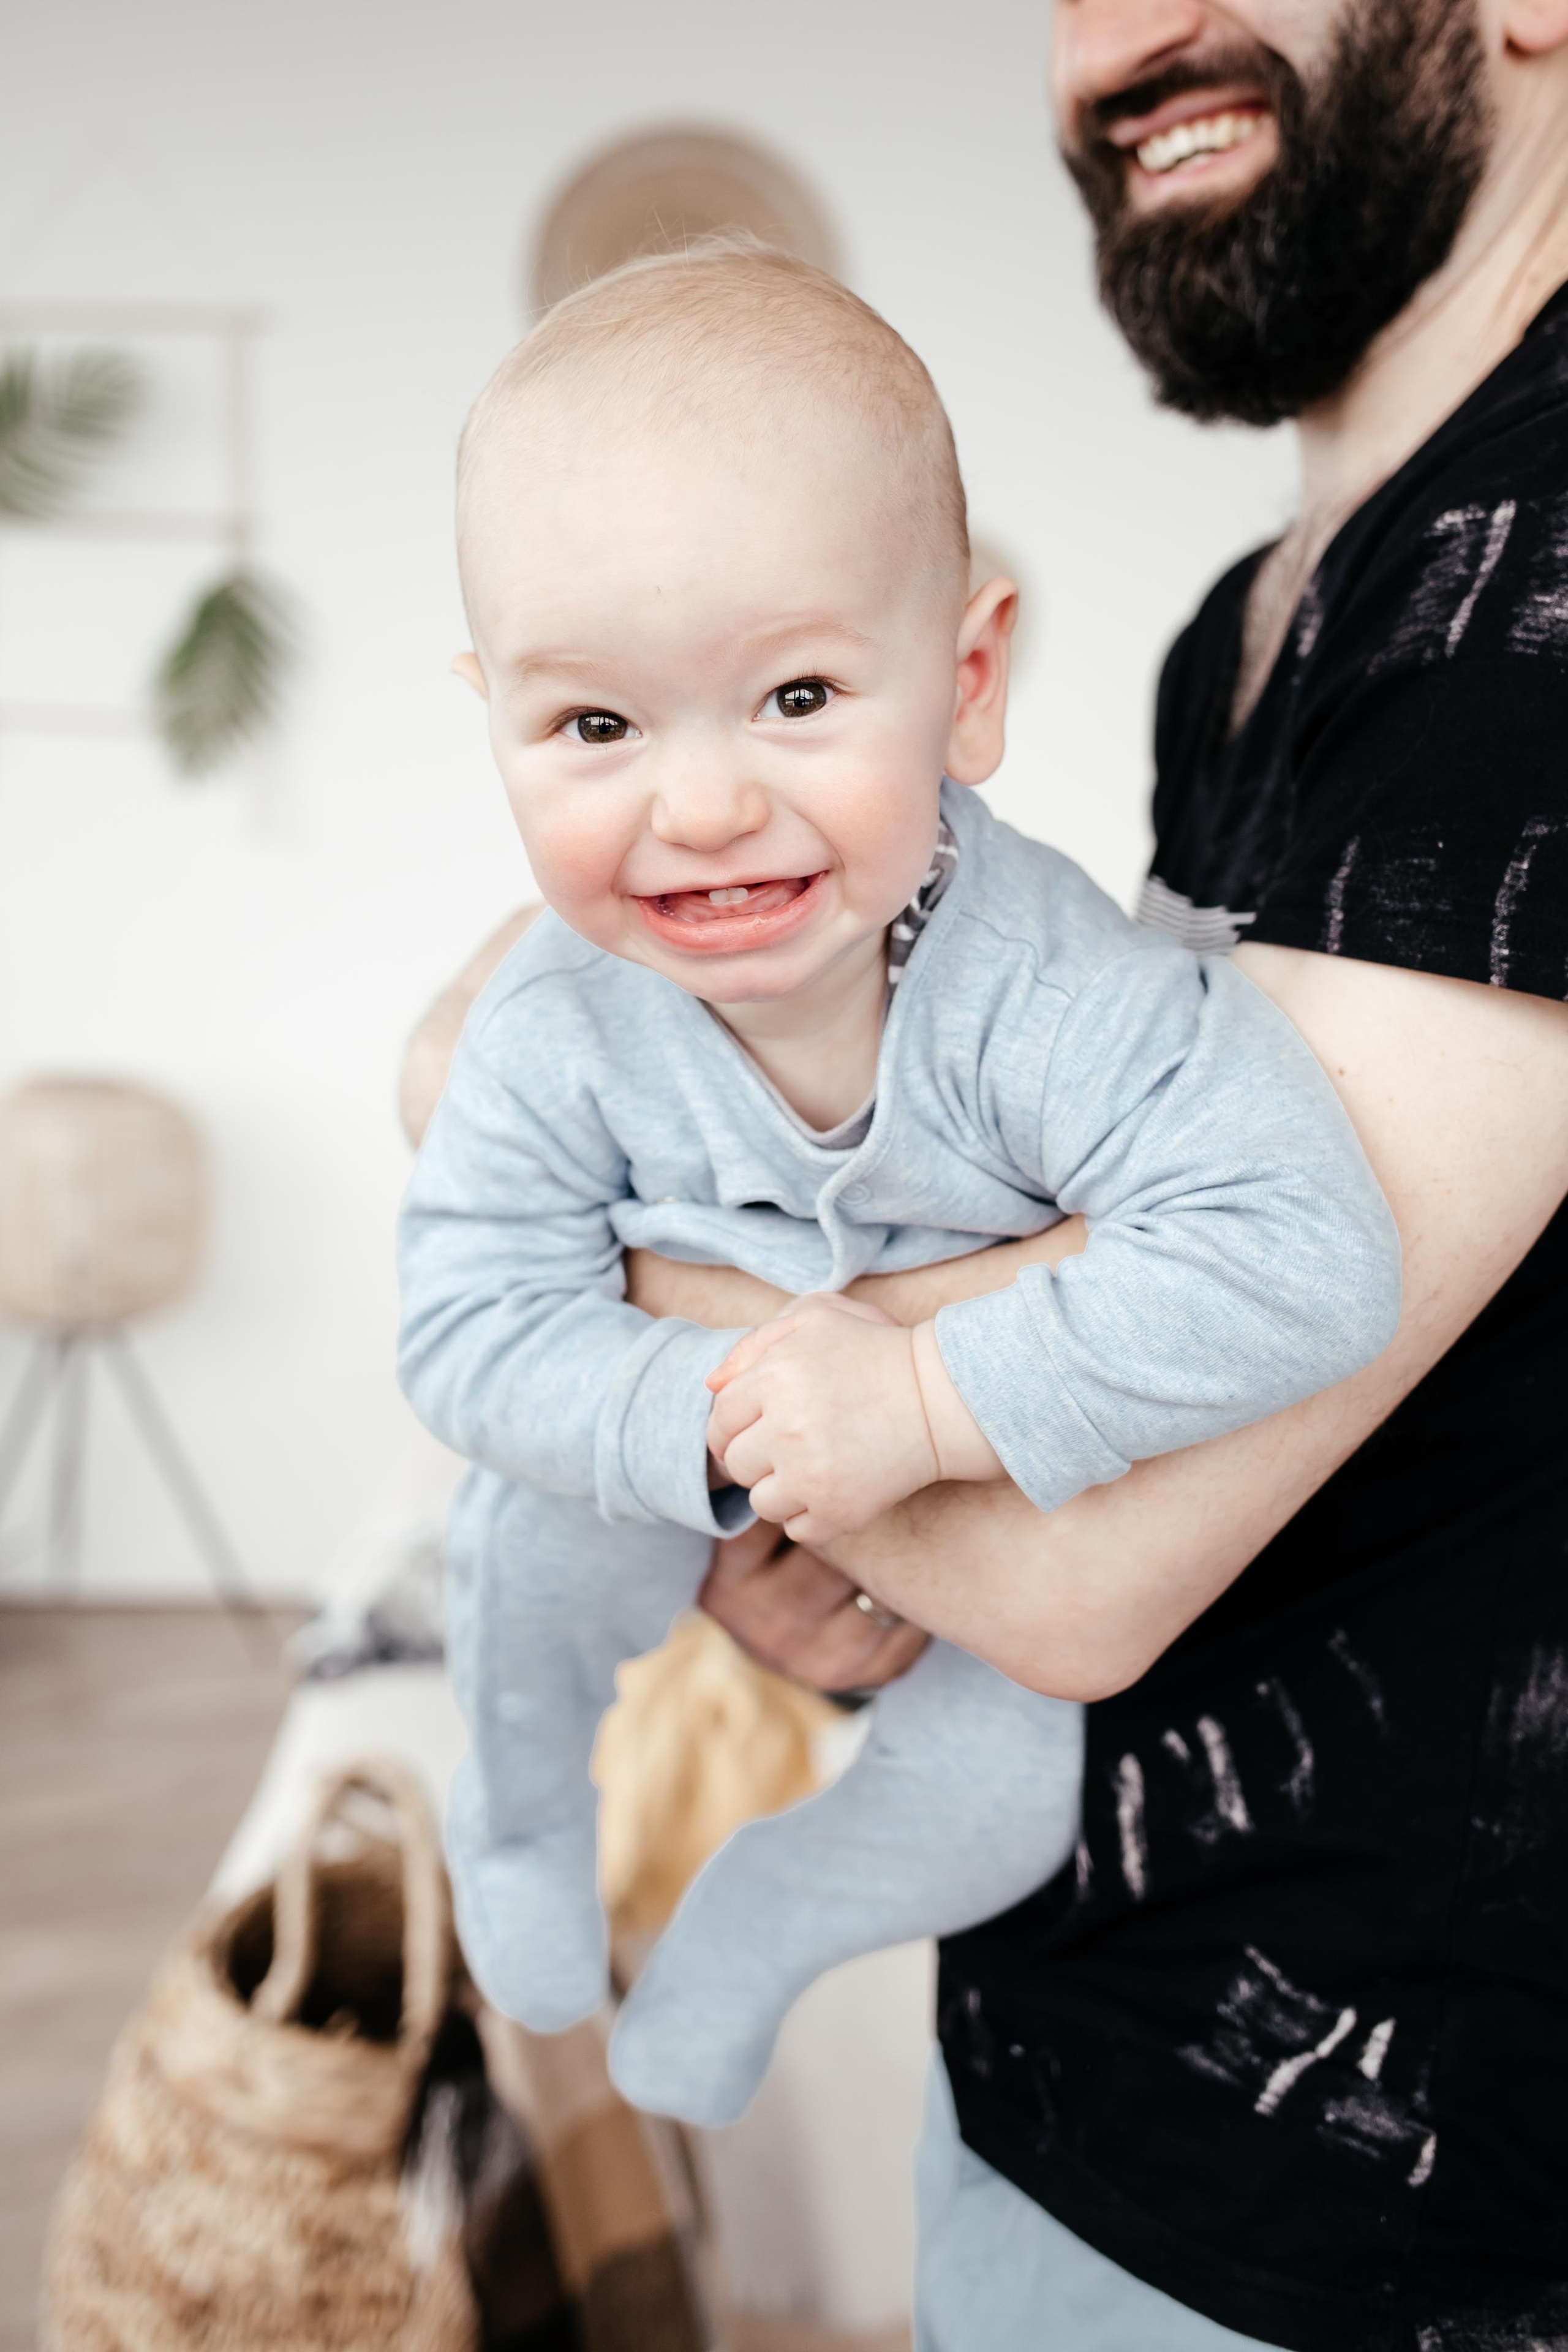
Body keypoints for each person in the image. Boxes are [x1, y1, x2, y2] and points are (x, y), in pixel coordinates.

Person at [626, 1, 1568, 2345]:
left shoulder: (1547, 561)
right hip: (1083, 2060)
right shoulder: (1233, 643)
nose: (1121, 38)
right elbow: (1091, 1279)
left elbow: (1094, 1557)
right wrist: (823, 1494)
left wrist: (546, 1155)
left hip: (1381, 2217)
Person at [395, 243, 1400, 2136]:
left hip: (1006, 1492)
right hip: (665, 1454)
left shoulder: (1054, 989)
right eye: (596, 727)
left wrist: (923, 1407)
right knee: (518, 1556)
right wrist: (717, 1432)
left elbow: (1311, 1253)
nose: (697, 807)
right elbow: (462, 1327)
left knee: (1005, 1800)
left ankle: (768, 1918)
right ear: (497, 724)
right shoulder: (551, 1021)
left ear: (963, 684)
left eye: (793, 696)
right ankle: (523, 1808)